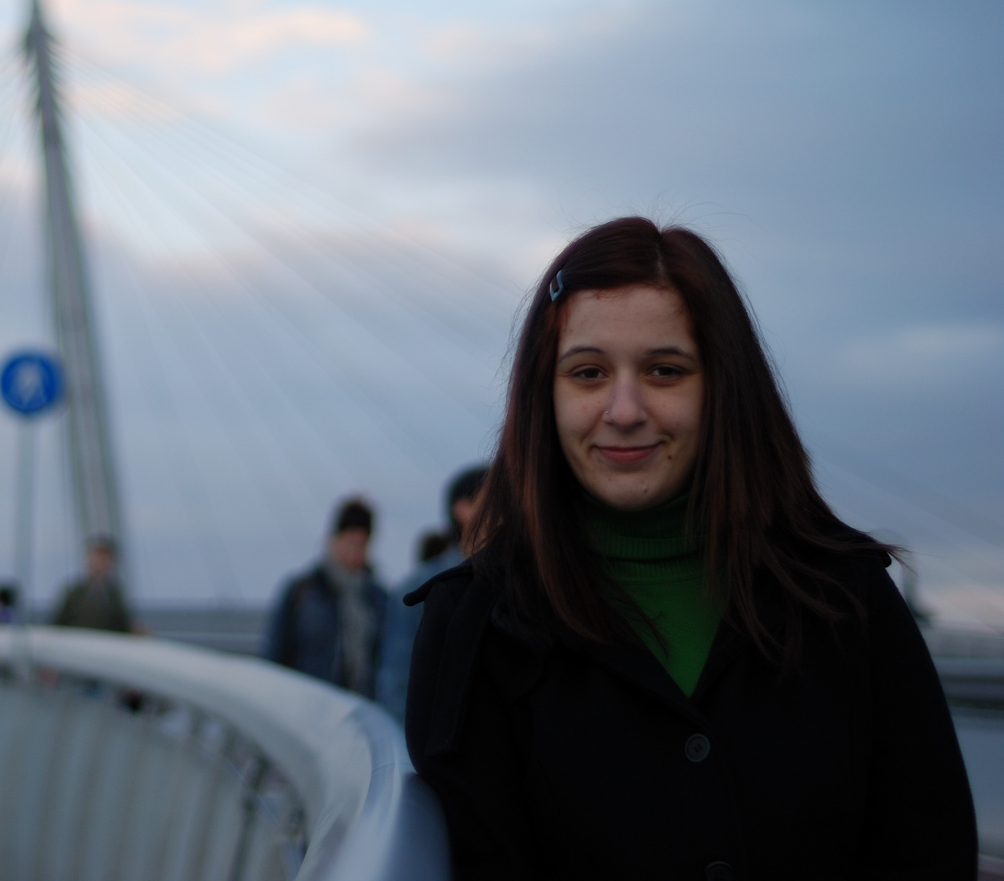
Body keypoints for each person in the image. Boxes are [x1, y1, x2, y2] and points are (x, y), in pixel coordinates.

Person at [405, 218, 975, 878]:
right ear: (545, 397)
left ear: (721, 390)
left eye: (664, 370)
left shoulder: (844, 597)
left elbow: (927, 847)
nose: (623, 409)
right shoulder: (473, 629)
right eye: (587, 373)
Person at [375, 465, 486, 721]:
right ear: (463, 509)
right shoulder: (419, 587)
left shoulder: (517, 582)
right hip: (433, 750)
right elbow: (397, 679)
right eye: (494, 498)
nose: (507, 508)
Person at [262, 496, 388, 698]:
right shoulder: (301, 592)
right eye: (350, 543)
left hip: (360, 709)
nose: (354, 553)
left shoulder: (377, 599)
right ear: (334, 541)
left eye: (362, 545)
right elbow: (275, 654)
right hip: (307, 705)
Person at [53, 535, 134, 633]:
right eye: (97, 557)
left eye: (104, 558)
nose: (100, 563)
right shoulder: (75, 592)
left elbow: (122, 626)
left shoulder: (114, 594)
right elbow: (58, 623)